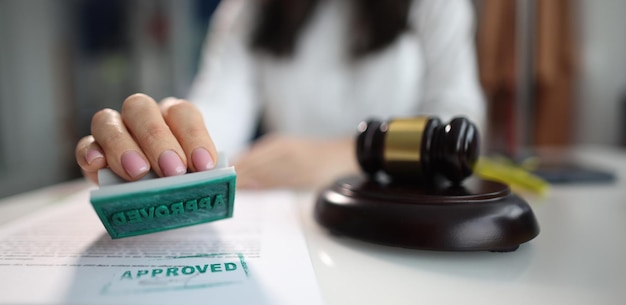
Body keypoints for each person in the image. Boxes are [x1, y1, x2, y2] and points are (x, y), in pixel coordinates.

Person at [76, 0, 485, 189]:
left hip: (404, 212)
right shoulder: (246, 12)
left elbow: (461, 120)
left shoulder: (436, 5)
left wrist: (351, 153)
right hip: (288, 223)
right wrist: (165, 136)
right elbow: (218, 113)